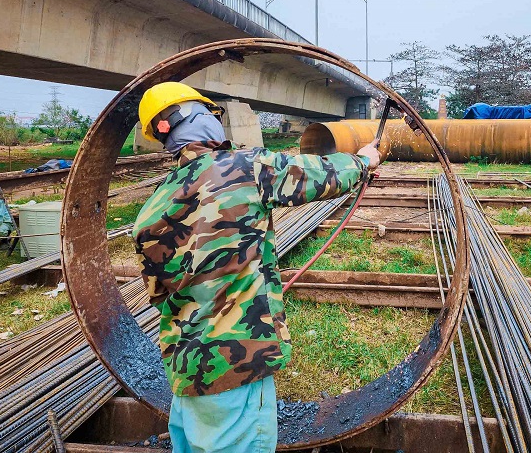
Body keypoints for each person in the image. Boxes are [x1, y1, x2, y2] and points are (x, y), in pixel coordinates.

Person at [132, 82, 380, 453]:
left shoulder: (149, 211)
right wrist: (363, 161)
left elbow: (158, 295)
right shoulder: (244, 168)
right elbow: (318, 174)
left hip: (187, 372)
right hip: (239, 364)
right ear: (200, 119)